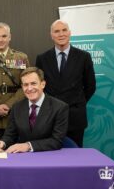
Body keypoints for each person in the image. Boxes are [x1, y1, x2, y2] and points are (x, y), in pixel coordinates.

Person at [35, 19, 96, 147]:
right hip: (50, 116)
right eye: (56, 31)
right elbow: (39, 87)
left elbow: (90, 86)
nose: (61, 34)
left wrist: (77, 101)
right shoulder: (42, 58)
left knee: (75, 156)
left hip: (75, 116)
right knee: (51, 155)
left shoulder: (84, 57)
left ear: (70, 33)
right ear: (51, 35)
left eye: (64, 30)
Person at [0, 67, 68, 153]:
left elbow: (56, 141)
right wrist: (2, 143)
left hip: (48, 157)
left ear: (43, 84)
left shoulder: (60, 107)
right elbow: (10, 135)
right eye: (25, 85)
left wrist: (28, 146)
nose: (29, 88)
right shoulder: (16, 107)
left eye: (33, 83)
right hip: (23, 159)